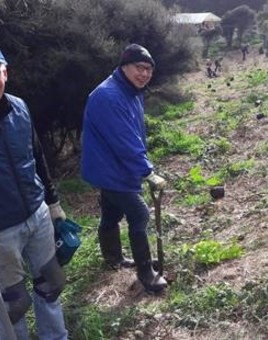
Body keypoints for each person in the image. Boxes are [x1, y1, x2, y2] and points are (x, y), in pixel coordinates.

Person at [81, 43, 168, 293]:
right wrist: (147, 172)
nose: (144, 74)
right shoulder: (109, 96)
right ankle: (146, 274)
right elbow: (125, 142)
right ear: (124, 66)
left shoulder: (129, 90)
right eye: (139, 68)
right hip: (110, 168)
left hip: (113, 165)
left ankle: (113, 259)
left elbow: (133, 135)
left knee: (111, 213)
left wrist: (141, 165)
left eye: (149, 70)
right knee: (139, 215)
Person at [0, 49, 68, 339]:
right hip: (2, 231)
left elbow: (39, 157)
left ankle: (56, 336)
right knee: (12, 303)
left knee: (51, 283)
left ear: (5, 72)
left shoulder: (20, 108)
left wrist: (53, 203)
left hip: (37, 214)